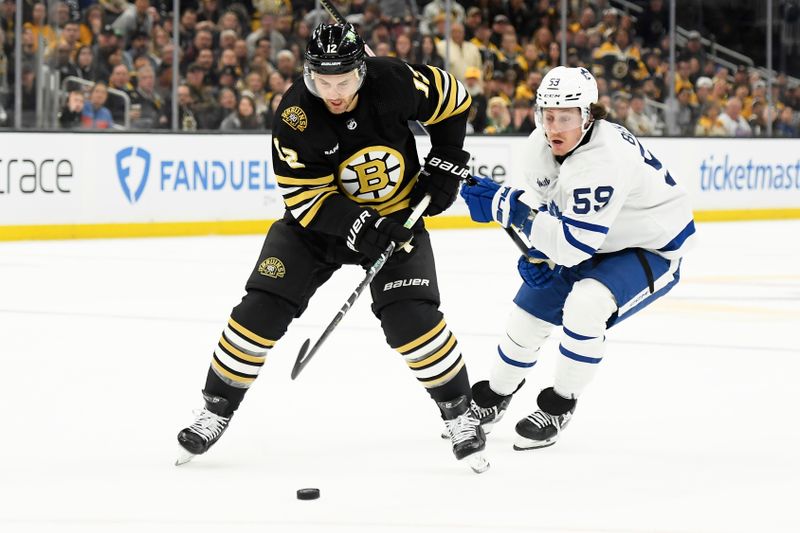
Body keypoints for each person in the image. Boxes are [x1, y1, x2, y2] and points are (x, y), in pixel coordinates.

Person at [176, 23, 488, 473]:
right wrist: (362, 225)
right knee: (259, 311)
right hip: (317, 230)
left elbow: (454, 98)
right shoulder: (295, 116)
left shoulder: (395, 81)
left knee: (410, 320)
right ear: (309, 74)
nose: (334, 92)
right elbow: (305, 200)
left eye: (343, 81)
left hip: (398, 219)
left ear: (362, 70)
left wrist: (447, 159)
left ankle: (460, 413)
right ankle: (216, 409)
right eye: (323, 81)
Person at [459, 66, 695, 451]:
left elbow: (571, 246)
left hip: (650, 247)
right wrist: (537, 251)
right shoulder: (541, 145)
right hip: (594, 239)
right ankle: (494, 398)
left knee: (586, 305)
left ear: (589, 115)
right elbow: (548, 210)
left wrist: (511, 210)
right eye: (548, 115)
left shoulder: (604, 160)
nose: (555, 127)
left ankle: (559, 406)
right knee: (527, 314)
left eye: (566, 117)